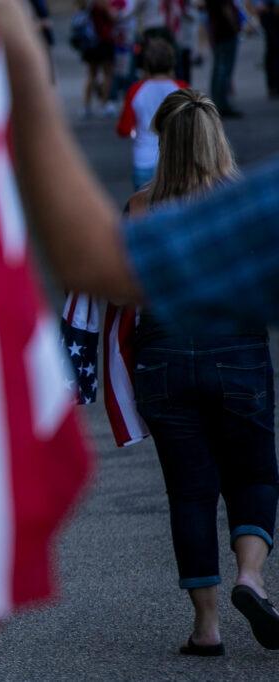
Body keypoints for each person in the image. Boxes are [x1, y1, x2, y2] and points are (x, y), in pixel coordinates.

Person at [0, 0, 279, 333]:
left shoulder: (137, 93)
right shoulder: (184, 92)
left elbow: (98, 264)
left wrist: (26, 69)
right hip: (237, 362)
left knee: (150, 211)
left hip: (147, 170)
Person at [129, 89, 279, 655]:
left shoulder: (141, 207)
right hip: (236, 351)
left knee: (190, 492)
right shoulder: (241, 205)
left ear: (165, 145)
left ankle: (207, 627)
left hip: (163, 357)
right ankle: (252, 578)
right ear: (218, 140)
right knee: (255, 475)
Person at [116, 39, 187, 189]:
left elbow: (123, 129)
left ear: (146, 65)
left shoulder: (136, 90)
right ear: (172, 63)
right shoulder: (182, 89)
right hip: (175, 160)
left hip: (144, 159)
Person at [206, 0, 244, 116]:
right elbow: (226, 8)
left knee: (219, 70)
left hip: (218, 33)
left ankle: (218, 103)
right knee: (223, 71)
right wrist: (235, 25)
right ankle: (221, 104)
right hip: (225, 32)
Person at [258, 0, 279, 97]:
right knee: (273, 49)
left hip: (269, 10)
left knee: (273, 50)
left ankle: (273, 86)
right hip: (268, 11)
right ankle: (273, 85)